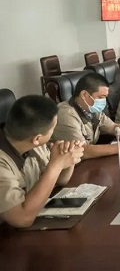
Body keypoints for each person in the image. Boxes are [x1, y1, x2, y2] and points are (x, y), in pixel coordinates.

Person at [0, 95, 83, 228]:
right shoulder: (2, 163)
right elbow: (22, 219)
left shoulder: (31, 143)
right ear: (37, 138)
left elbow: (59, 181)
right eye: (52, 129)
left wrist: (68, 157)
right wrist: (56, 165)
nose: (53, 133)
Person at [51, 73, 120, 159]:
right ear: (84, 95)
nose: (104, 102)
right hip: (70, 171)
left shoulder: (90, 108)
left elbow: (112, 127)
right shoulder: (66, 115)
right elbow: (82, 151)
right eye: (101, 97)